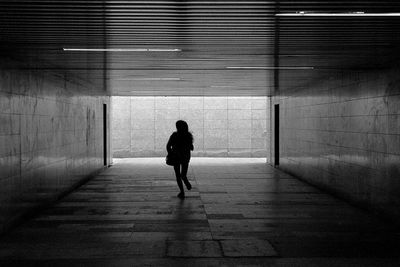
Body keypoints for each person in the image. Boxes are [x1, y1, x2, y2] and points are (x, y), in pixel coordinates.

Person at [166, 120, 193, 199]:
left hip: (176, 157)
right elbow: (191, 147)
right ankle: (186, 182)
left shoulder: (174, 135)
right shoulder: (188, 135)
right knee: (183, 174)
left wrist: (170, 153)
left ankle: (182, 192)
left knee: (178, 175)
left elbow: (168, 146)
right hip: (185, 157)